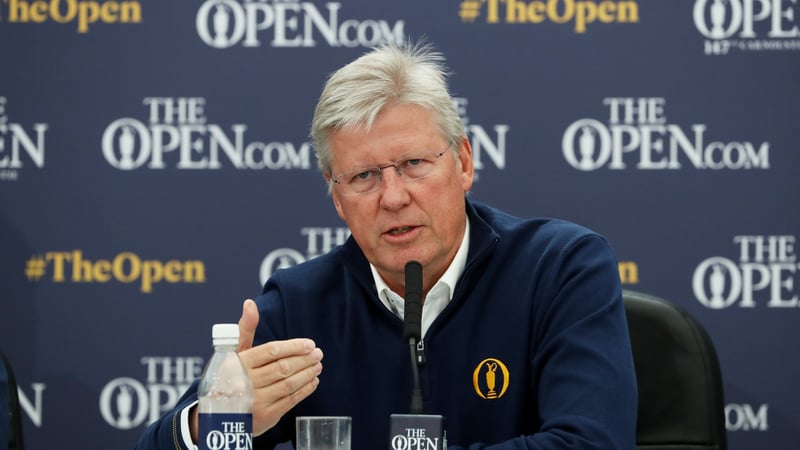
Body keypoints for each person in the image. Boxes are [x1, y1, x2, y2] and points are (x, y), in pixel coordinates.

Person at [135, 40, 637, 450]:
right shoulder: (302, 303)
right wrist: (213, 423)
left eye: (414, 164)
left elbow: (592, 443)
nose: (393, 197)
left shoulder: (560, 268)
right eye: (364, 176)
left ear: (463, 164)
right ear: (336, 197)